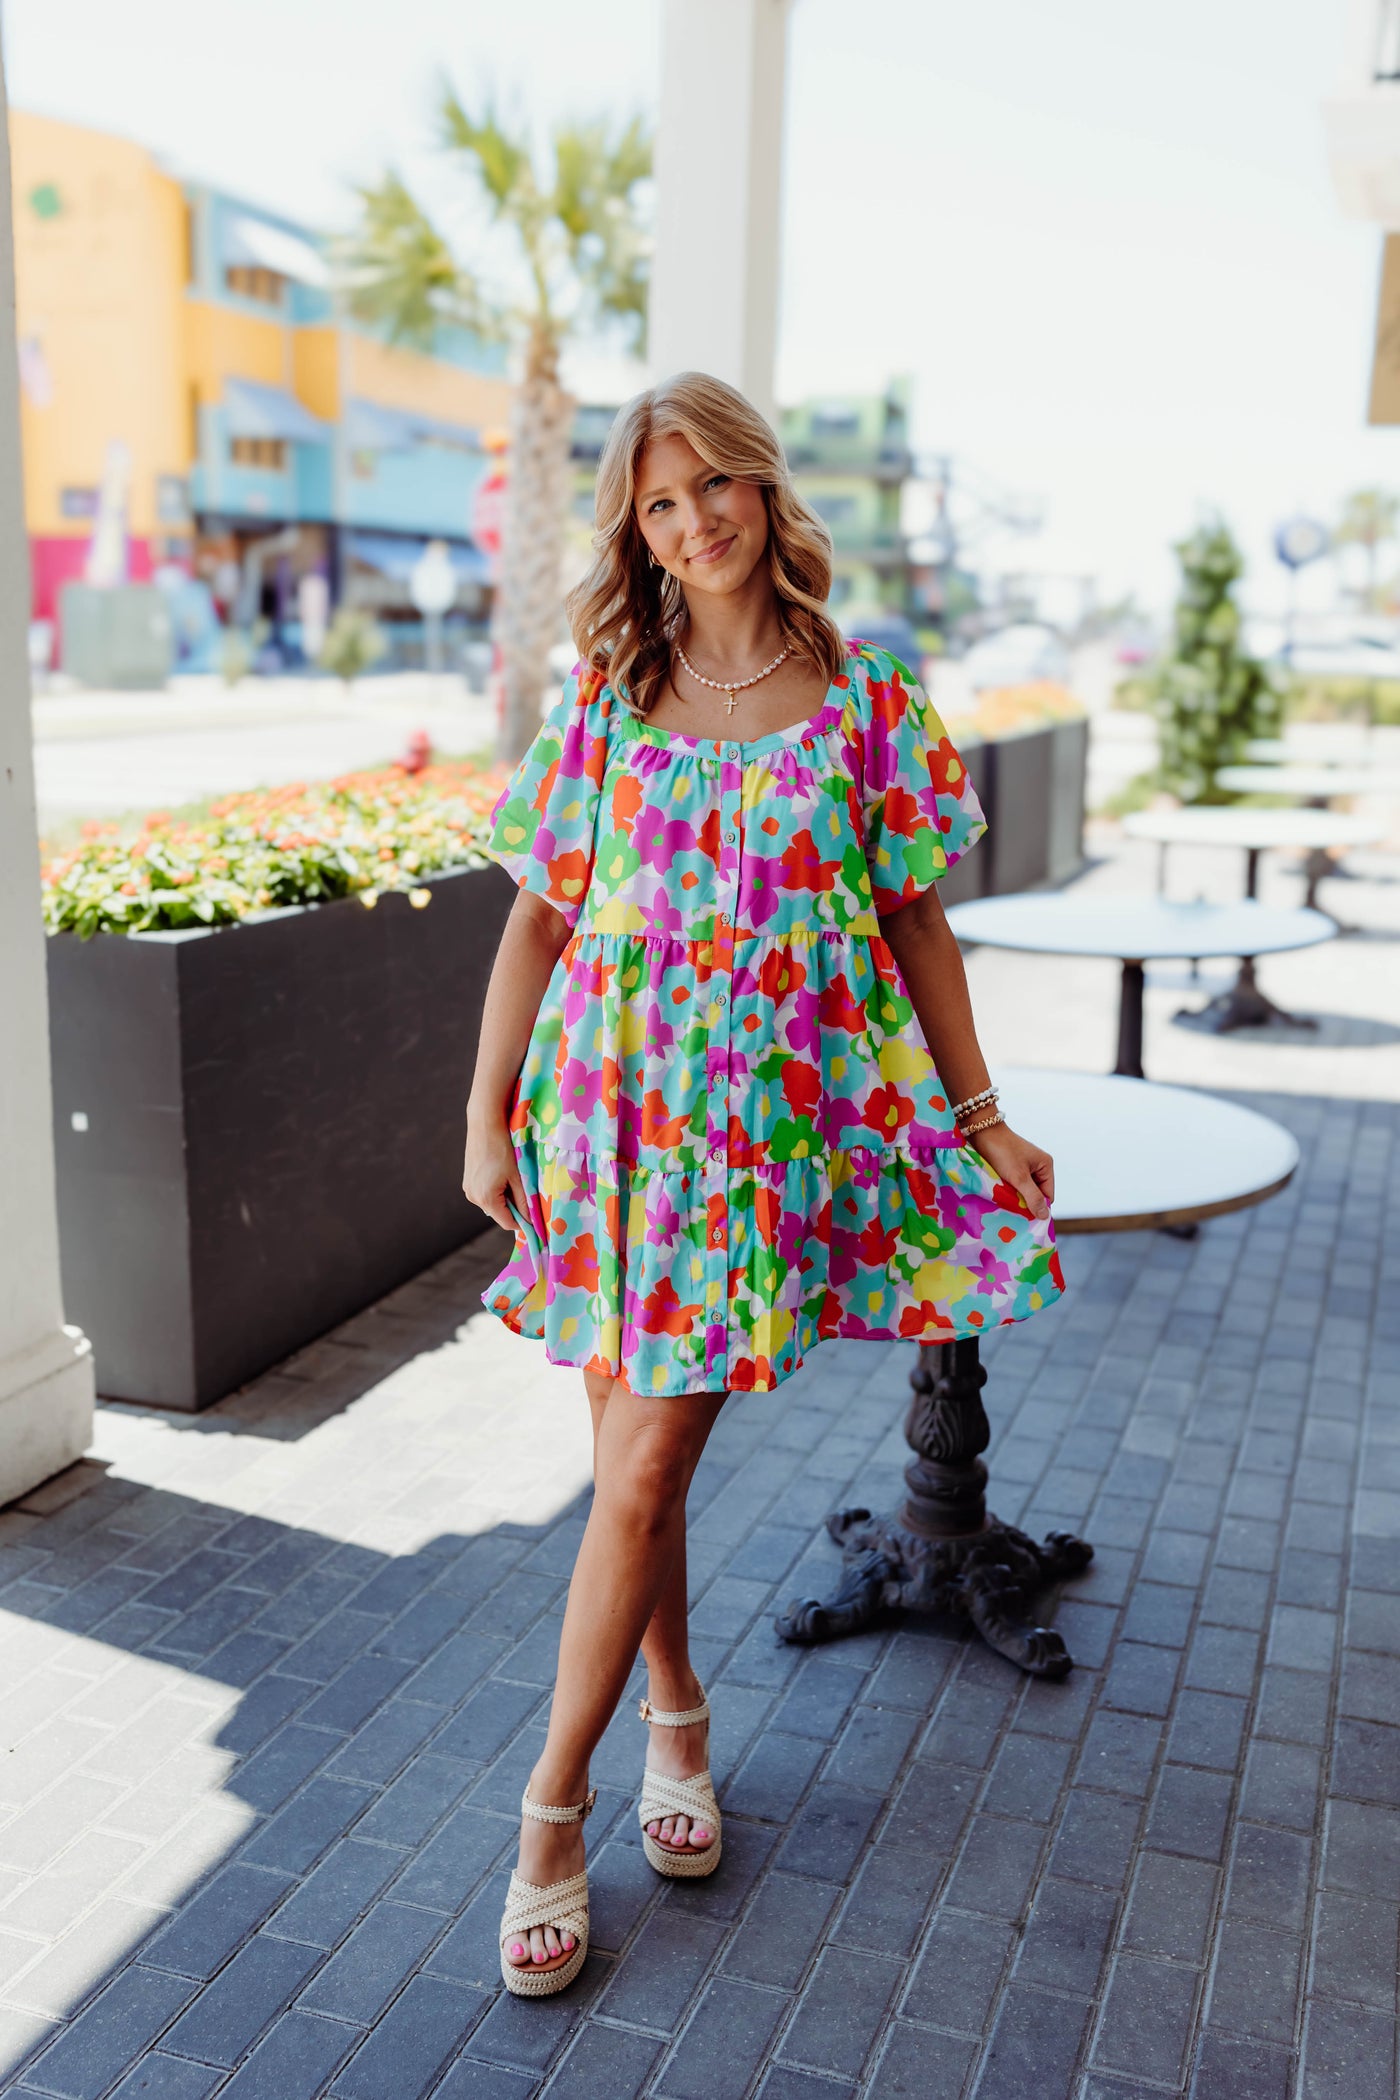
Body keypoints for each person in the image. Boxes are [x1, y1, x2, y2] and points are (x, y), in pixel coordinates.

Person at [463, 371, 1065, 1997]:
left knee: (640, 1469)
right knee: (628, 1475)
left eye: (715, 484)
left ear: (762, 489)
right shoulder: (605, 690)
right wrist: (484, 1115)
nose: (695, 520)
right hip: (607, 1124)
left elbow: (916, 921)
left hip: (756, 1154)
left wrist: (982, 1112)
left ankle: (547, 1816)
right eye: (661, 504)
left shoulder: (866, 696)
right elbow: (536, 916)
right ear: (638, 534)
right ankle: (676, 1725)